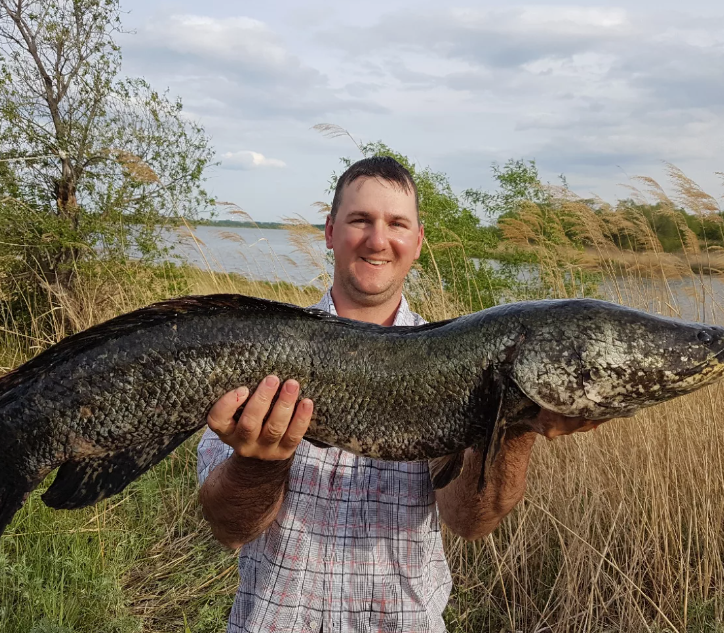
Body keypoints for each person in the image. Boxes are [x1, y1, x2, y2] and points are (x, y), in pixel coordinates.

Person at [197, 157, 604, 633]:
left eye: (396, 224)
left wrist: (517, 421)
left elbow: (468, 522)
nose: (377, 239)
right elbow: (229, 529)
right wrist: (257, 462)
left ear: (417, 240)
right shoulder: (260, 350)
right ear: (330, 231)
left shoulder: (460, 360)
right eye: (359, 220)